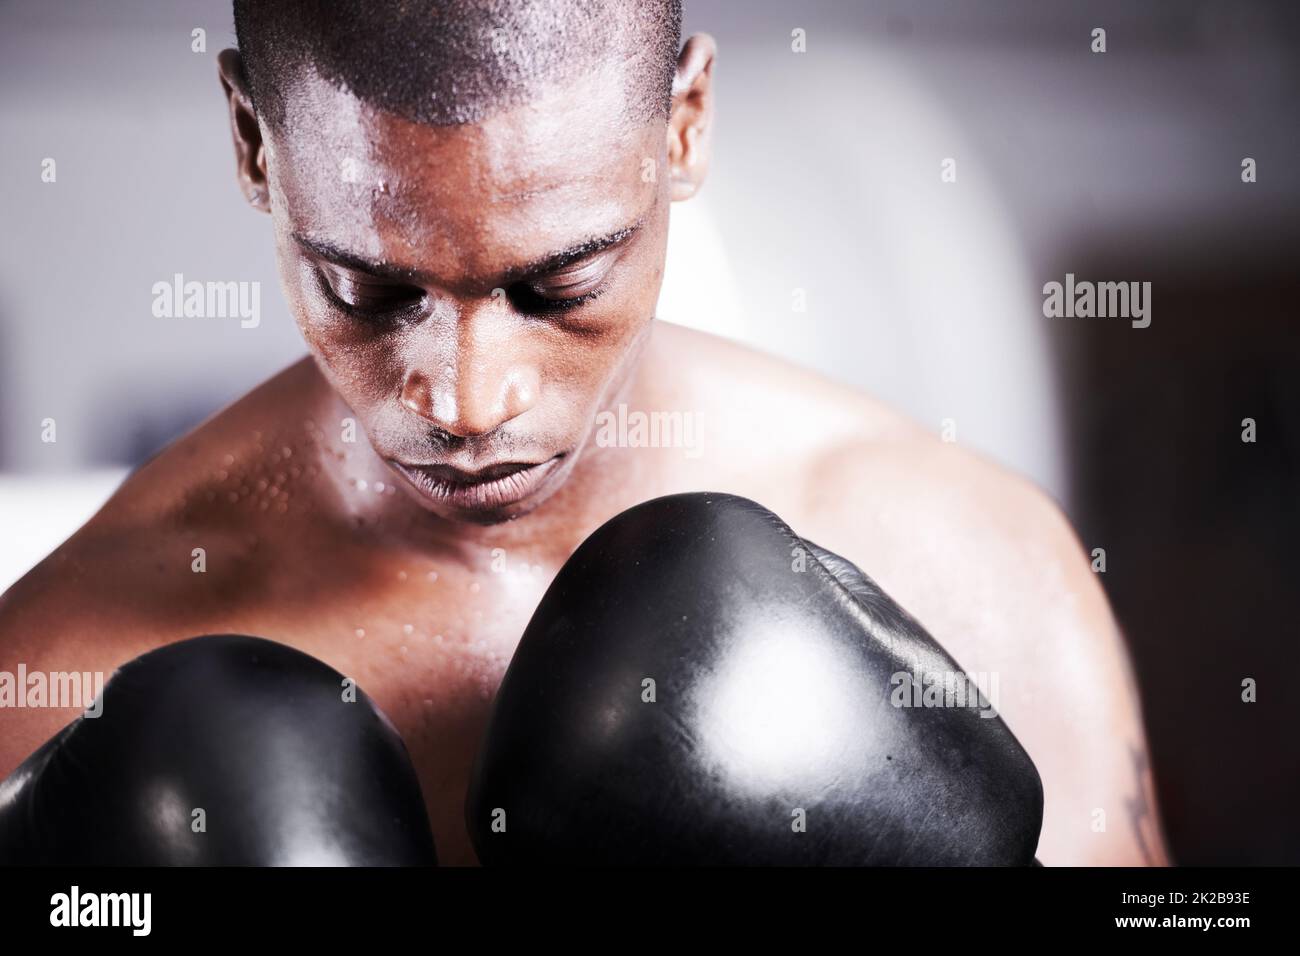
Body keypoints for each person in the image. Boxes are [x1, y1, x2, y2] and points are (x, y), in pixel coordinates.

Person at [0, 0, 1168, 866]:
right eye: (370, 291)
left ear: (686, 123)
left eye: (556, 286)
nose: (464, 400)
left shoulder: (963, 559)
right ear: (254, 141)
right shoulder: (71, 660)